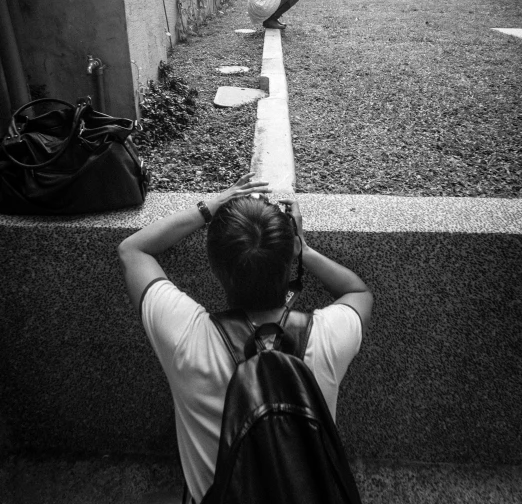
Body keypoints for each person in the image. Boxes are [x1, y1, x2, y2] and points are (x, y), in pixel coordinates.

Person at [117, 172, 373, 504]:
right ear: (289, 256)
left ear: (214, 267)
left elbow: (133, 251)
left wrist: (211, 207)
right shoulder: (327, 337)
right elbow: (358, 291)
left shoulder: (186, 339)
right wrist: (302, 249)